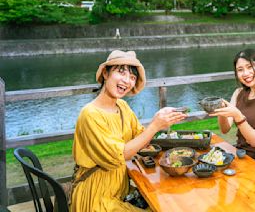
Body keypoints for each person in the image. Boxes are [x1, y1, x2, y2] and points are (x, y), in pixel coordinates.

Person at [71, 50, 187, 211]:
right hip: (97, 198)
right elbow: (119, 156)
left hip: (121, 190)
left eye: (132, 77)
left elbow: (140, 137)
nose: (127, 80)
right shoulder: (90, 114)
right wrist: (154, 126)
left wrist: (160, 119)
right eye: (121, 72)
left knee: (168, 202)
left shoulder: (122, 106)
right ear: (105, 73)